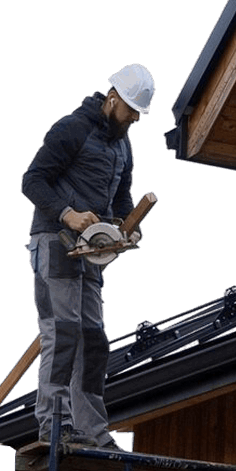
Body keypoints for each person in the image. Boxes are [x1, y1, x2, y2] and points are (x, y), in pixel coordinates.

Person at [20, 63, 155, 449]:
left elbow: (123, 199)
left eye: (137, 113)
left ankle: (94, 432)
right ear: (112, 99)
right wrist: (69, 213)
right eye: (130, 109)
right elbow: (31, 180)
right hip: (55, 242)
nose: (133, 117)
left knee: (94, 340)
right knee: (63, 333)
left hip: (89, 254)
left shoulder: (123, 146)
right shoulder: (70, 129)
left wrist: (129, 228)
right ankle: (55, 425)